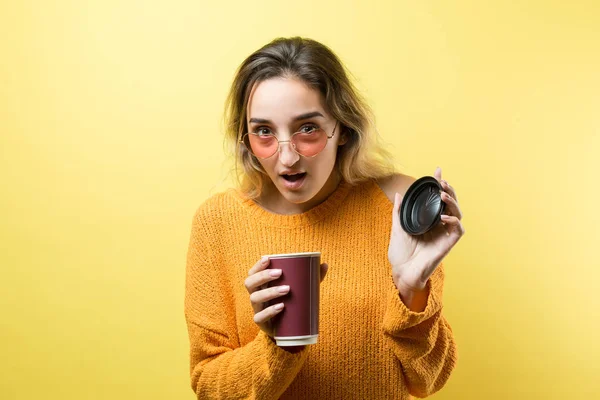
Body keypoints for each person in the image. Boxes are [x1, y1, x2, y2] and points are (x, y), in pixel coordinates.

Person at [184, 36, 465, 400]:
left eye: (307, 129)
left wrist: (411, 290)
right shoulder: (218, 222)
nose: (287, 158)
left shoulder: (397, 207)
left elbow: (429, 380)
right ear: (246, 137)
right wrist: (278, 343)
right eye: (264, 132)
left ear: (343, 128)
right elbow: (209, 387)